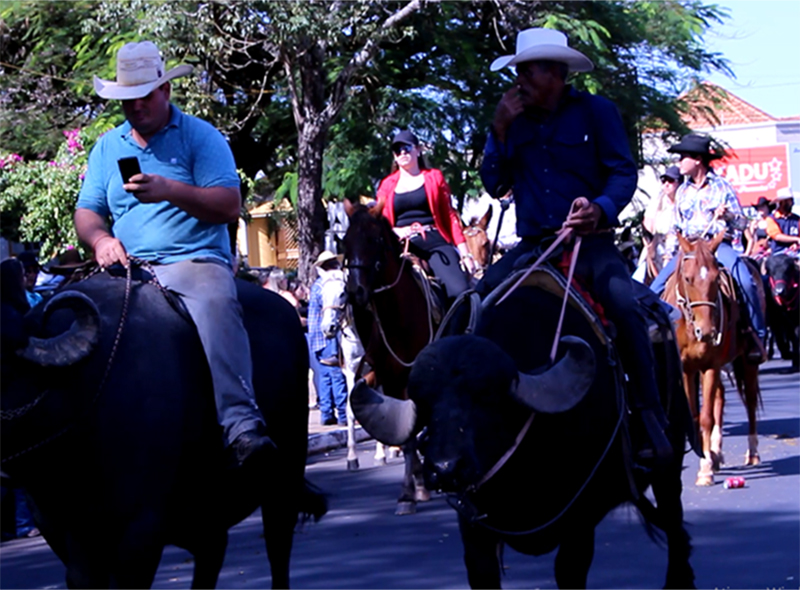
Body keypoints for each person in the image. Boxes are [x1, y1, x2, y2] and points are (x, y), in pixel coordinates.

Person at [74, 41, 273, 467]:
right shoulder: (108, 148)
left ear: (165, 91)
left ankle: (240, 422)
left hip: (192, 261)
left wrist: (170, 190)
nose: (137, 106)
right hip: (125, 268)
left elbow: (229, 205)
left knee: (218, 301)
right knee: (68, 317)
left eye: (145, 96)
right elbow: (88, 211)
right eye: (128, 99)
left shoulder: (201, 137)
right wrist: (101, 241)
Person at [480, 27, 671, 462]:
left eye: (529, 71)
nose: (520, 80)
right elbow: (494, 184)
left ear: (557, 73)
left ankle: (648, 414)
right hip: (533, 249)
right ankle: (473, 413)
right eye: (520, 71)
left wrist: (600, 208)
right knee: (479, 301)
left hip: (590, 244)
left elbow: (623, 173)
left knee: (623, 303)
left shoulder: (596, 112)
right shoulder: (509, 119)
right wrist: (500, 129)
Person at [649, 133, 767, 360]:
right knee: (654, 288)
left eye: (683, 157)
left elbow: (742, 222)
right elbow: (677, 228)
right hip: (689, 248)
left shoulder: (722, 187)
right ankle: (657, 338)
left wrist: (728, 214)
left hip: (716, 246)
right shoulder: (682, 190)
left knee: (746, 282)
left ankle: (755, 337)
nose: (679, 162)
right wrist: (669, 256)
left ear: (698, 160)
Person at [375, 130, 475, 302]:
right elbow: (382, 222)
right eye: (398, 150)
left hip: (434, 241)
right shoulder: (386, 185)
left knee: (459, 291)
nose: (403, 153)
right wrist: (396, 231)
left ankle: (460, 328)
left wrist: (466, 255)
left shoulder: (434, 177)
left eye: (407, 148)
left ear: (418, 150)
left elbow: (450, 216)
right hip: (401, 245)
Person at [307, 251, 349, 426]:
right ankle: (342, 415)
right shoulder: (329, 285)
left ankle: (326, 413)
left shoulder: (317, 285)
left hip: (315, 336)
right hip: (328, 335)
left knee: (324, 376)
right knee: (336, 375)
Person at [765, 188, 800, 255]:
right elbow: (777, 236)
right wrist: (796, 239)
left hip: (795, 252)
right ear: (783, 202)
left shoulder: (797, 219)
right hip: (778, 253)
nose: (793, 203)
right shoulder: (771, 219)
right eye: (790, 201)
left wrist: (796, 244)